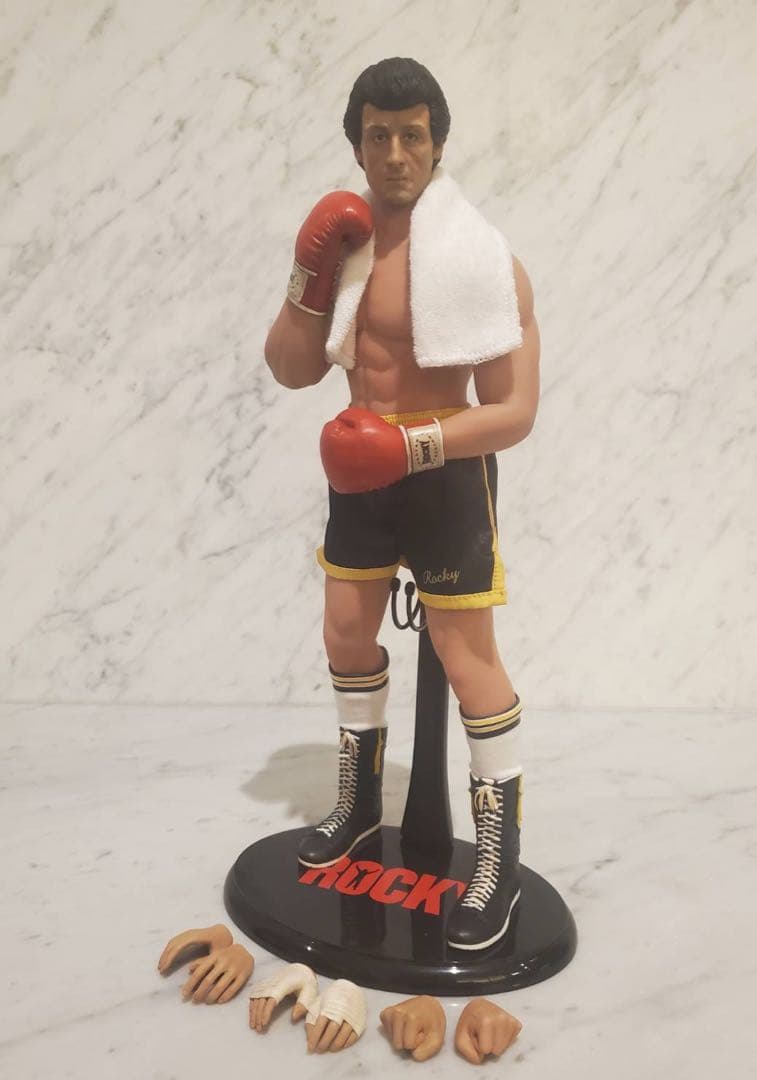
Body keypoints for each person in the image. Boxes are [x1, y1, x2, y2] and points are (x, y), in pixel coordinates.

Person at [264, 58, 540, 952]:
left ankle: (496, 859)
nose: (394, 153)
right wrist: (307, 273)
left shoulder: (484, 260)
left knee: (467, 658)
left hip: (444, 471)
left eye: (410, 135)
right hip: (357, 465)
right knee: (345, 633)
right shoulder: (342, 250)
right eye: (377, 135)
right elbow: (292, 369)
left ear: (437, 143)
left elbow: (514, 411)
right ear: (356, 145)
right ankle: (357, 808)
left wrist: (412, 443)